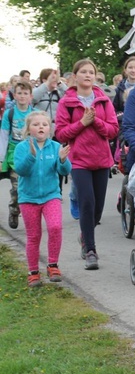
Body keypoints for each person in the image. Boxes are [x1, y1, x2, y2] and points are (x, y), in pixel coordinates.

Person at [56, 59, 119, 271]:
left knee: (98, 210)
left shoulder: (103, 100)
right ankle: (91, 251)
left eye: (91, 72)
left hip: (101, 159)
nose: (87, 75)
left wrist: (95, 122)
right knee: (86, 203)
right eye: (83, 72)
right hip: (80, 160)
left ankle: (85, 235)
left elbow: (113, 130)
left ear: (95, 75)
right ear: (75, 76)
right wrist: (82, 123)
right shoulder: (67, 102)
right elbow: (61, 133)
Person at [12, 112, 71, 287]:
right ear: (28, 129)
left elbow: (64, 171)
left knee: (55, 227)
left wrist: (62, 159)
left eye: (44, 124)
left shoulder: (55, 147)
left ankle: (52, 265)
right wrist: (30, 156)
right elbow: (21, 171)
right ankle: (33, 272)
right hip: (28, 198)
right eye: (36, 124)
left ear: (49, 129)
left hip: (50, 195)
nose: (40, 127)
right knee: (34, 236)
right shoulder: (22, 148)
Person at [0, 80, 38, 229]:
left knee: (31, 188)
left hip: (32, 155)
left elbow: (41, 135)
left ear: (30, 96)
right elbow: (3, 136)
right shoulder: (10, 114)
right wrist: (1, 158)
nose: (22, 96)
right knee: (17, 188)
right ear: (14, 95)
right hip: (15, 156)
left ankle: (32, 216)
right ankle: (14, 209)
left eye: (25, 93)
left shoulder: (34, 114)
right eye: (19, 93)